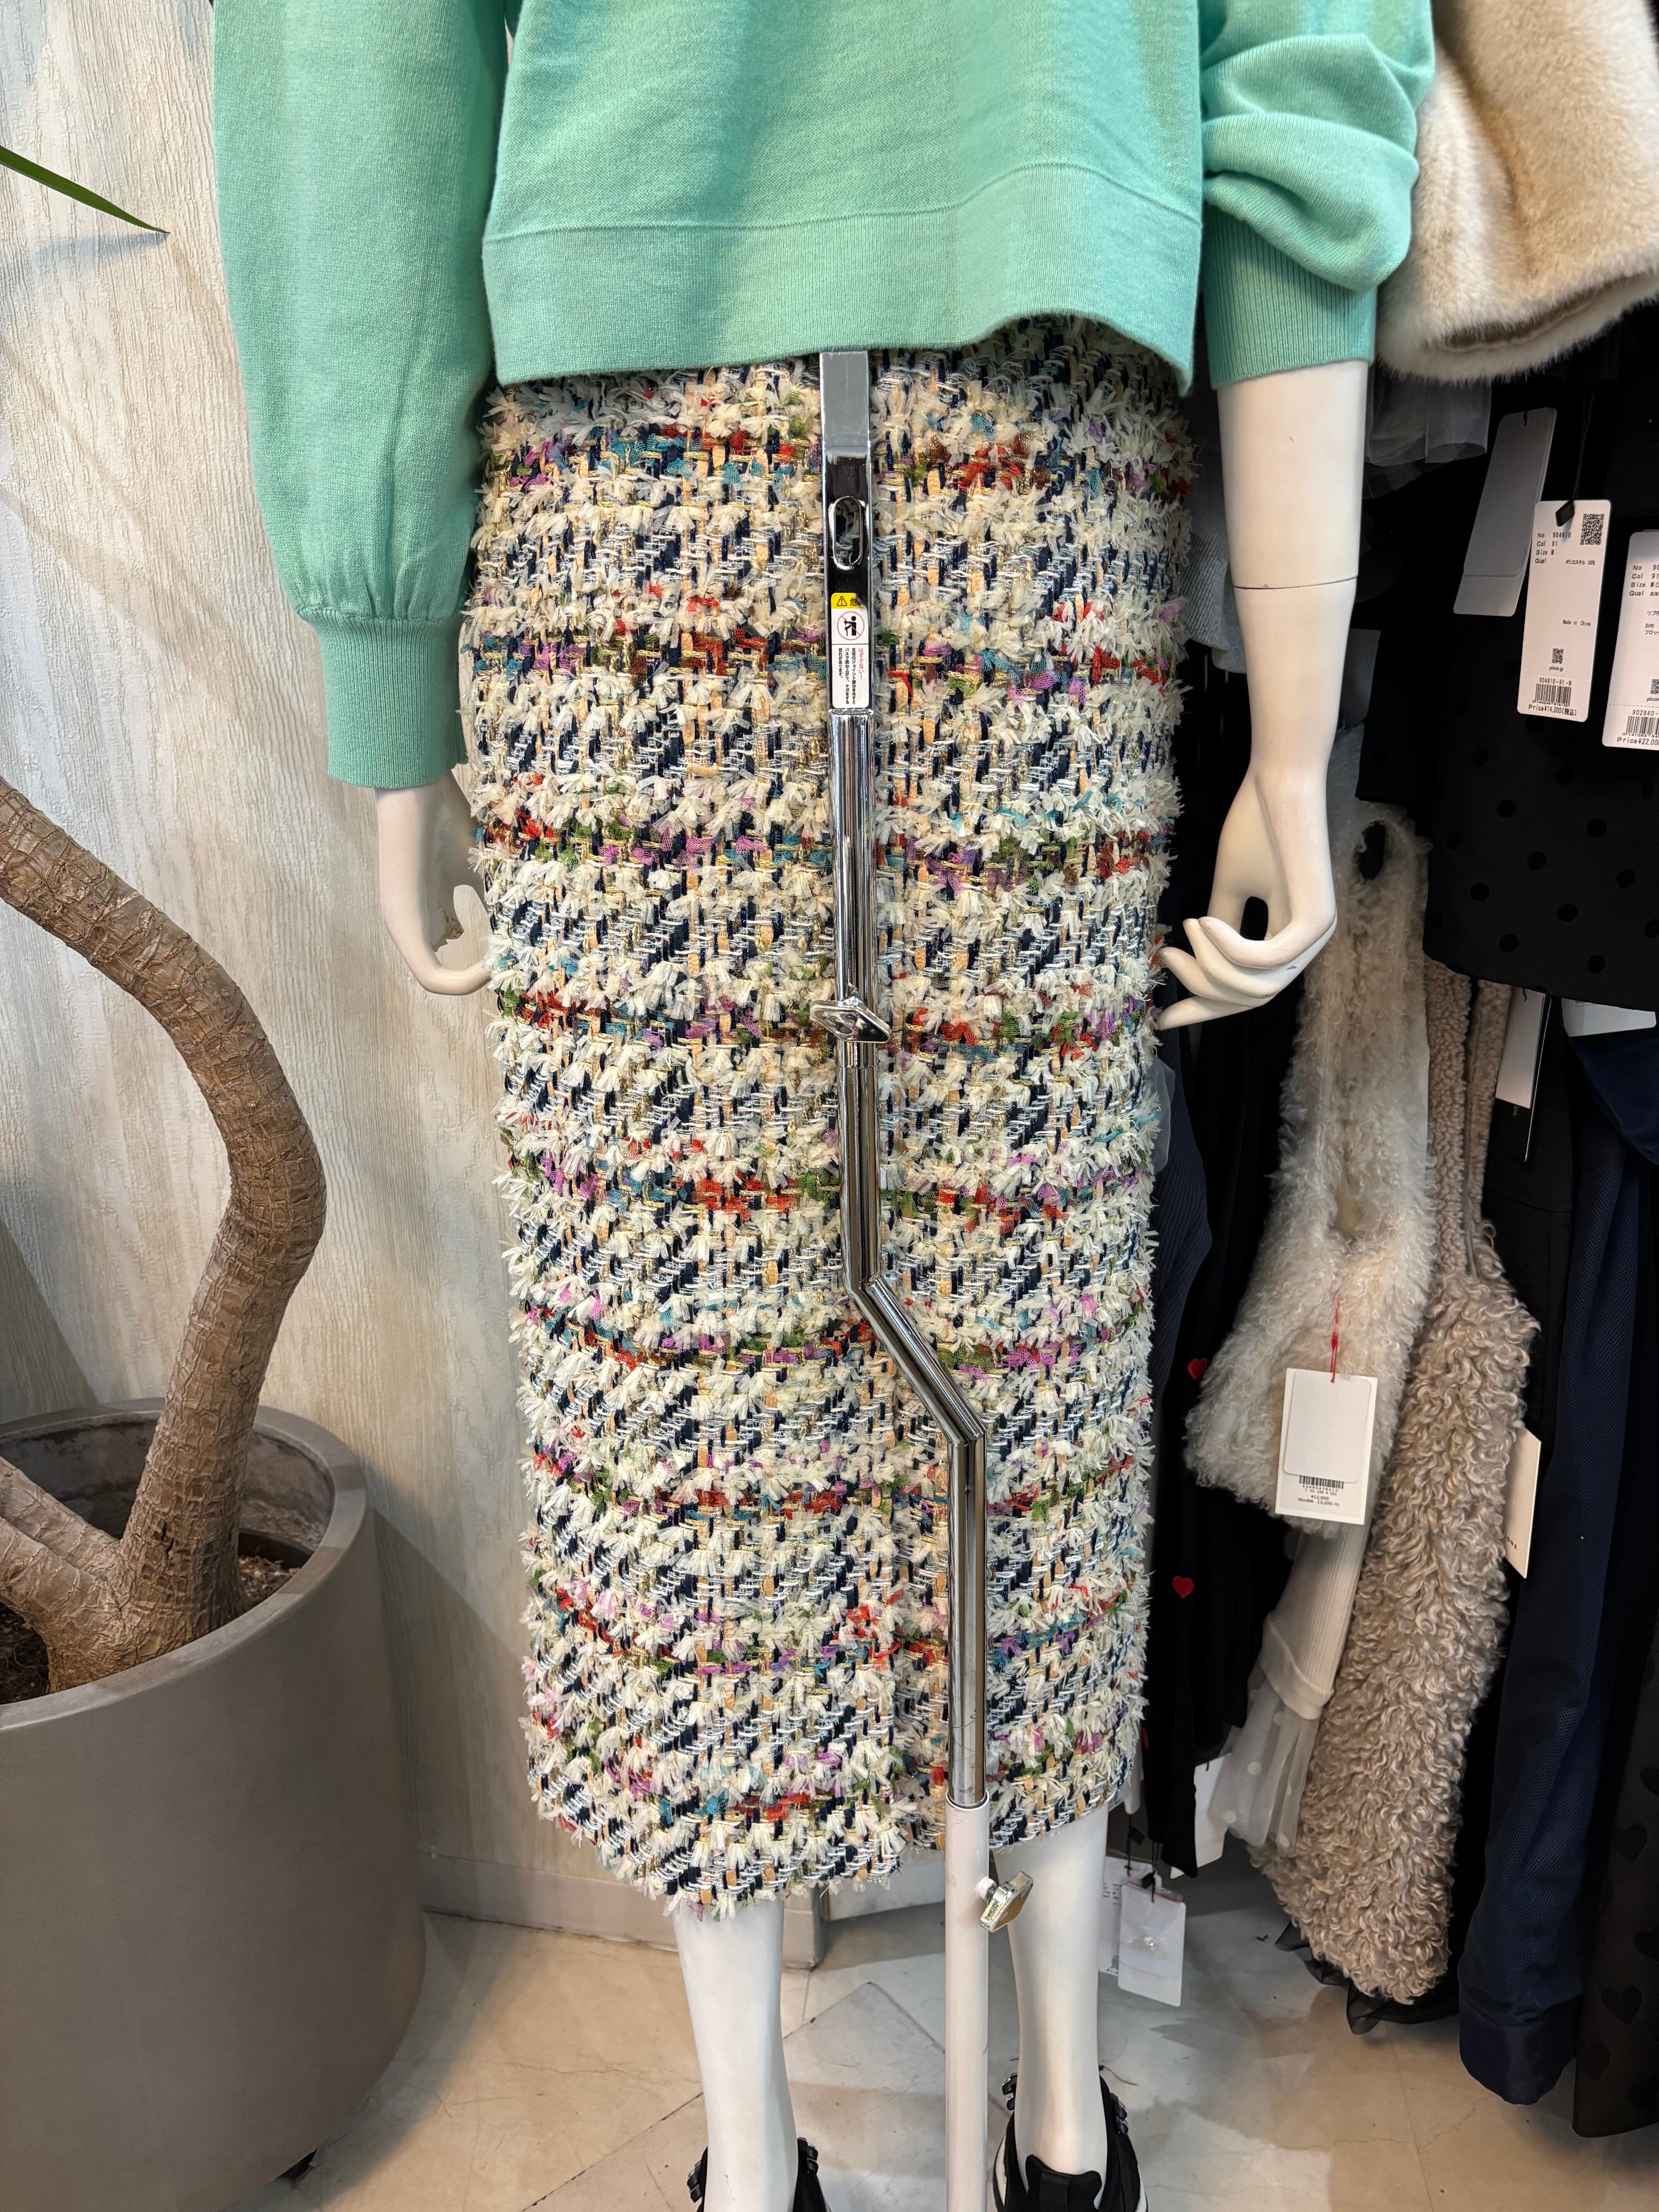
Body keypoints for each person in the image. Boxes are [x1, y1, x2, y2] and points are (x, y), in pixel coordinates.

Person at [213, 6, 1433, 2204]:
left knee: (858, 1369)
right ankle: (971, 2135)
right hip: (872, 441)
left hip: (762, 455)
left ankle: (883, 2140)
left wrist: (396, 702)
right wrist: (1295, 689)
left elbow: (351, 70)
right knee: (781, 1371)